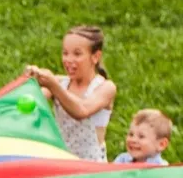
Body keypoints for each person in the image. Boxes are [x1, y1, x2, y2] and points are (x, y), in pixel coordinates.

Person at [27, 26, 117, 161]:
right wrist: (30, 81)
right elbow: (32, 100)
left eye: (77, 54)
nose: (68, 59)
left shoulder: (105, 88)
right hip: (63, 162)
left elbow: (82, 110)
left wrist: (52, 84)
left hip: (92, 168)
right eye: (65, 53)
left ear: (95, 57)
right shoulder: (60, 83)